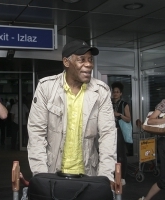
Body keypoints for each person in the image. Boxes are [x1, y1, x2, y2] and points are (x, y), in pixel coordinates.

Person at [27, 40, 117, 191]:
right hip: (52, 175)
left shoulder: (101, 91)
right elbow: (36, 133)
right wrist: (41, 177)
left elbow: (108, 134)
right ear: (66, 62)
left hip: (89, 176)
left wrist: (106, 176)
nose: (89, 65)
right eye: (82, 59)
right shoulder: (46, 88)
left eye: (90, 60)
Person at [111, 81, 132, 186]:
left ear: (121, 94)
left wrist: (119, 115)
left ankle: (122, 176)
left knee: (120, 155)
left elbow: (128, 119)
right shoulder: (108, 103)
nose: (115, 94)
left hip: (119, 132)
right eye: (114, 92)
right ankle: (112, 175)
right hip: (110, 131)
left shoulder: (124, 104)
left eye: (117, 92)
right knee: (110, 154)